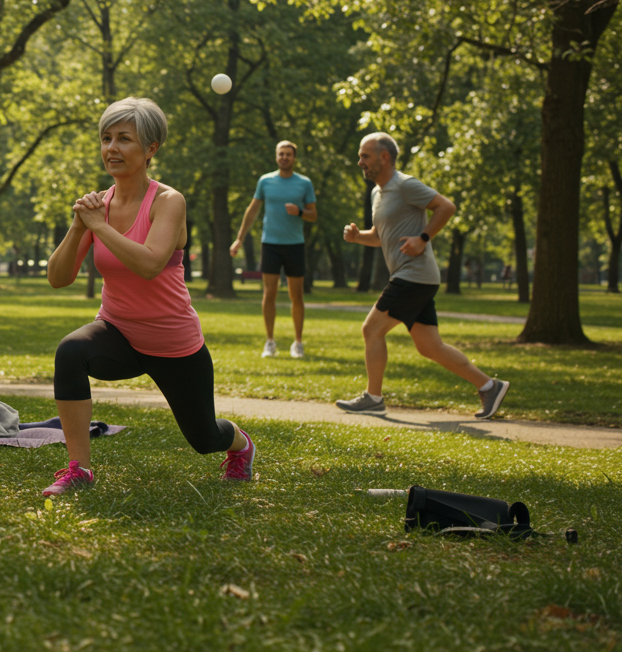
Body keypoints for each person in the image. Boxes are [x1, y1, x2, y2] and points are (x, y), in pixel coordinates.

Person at [42, 97, 255, 496]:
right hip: (118, 333)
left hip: (173, 343)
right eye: (106, 138)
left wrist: (99, 227)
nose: (112, 148)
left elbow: (150, 263)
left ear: (151, 149)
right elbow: (58, 278)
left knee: (204, 438)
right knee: (70, 351)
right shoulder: (98, 206)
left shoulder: (168, 201)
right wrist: (78, 226)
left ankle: (241, 444)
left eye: (124, 139)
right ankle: (79, 470)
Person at [337, 133, 510, 418]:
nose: (360, 162)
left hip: (413, 275)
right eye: (360, 156)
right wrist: (358, 237)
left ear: (384, 157)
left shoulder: (405, 185)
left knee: (371, 329)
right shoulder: (377, 193)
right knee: (430, 346)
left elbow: (446, 206)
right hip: (417, 277)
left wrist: (423, 237)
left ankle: (373, 398)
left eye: (365, 156)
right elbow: (380, 237)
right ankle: (490, 386)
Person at [230, 141, 317, 358]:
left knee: (296, 295)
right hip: (271, 244)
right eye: (281, 154)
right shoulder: (265, 181)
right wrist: (239, 239)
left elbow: (313, 215)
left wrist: (299, 211)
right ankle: (270, 342)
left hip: (295, 244)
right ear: (276, 157)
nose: (284, 157)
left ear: (294, 158)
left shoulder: (304, 183)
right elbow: (252, 211)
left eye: (288, 154)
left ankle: (298, 343)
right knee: (269, 293)